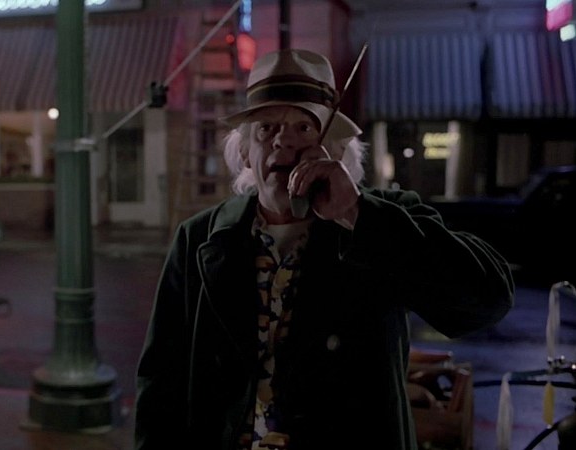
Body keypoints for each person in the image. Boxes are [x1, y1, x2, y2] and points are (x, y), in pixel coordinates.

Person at [134, 49, 514, 449]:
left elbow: (487, 300)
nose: (284, 140)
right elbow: (161, 382)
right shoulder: (199, 239)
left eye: (304, 127)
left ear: (334, 147)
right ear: (244, 150)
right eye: (266, 128)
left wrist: (356, 213)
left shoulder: (382, 220)